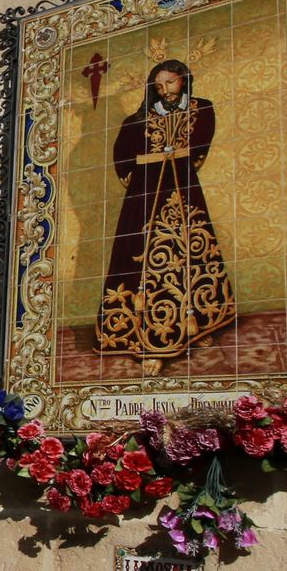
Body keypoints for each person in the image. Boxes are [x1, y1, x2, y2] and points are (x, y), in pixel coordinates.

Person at [96, 58, 236, 375]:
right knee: (140, 257)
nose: (165, 90)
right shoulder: (137, 119)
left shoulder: (201, 108)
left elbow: (200, 143)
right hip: (144, 196)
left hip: (182, 188)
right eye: (158, 85)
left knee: (191, 252)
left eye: (170, 82)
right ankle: (147, 341)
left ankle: (199, 323)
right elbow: (123, 156)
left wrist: (178, 155)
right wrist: (144, 165)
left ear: (184, 80)